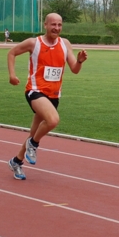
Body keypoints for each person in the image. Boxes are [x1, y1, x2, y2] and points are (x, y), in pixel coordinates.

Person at [7, 13, 87, 180]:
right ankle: (34, 144)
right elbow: (12, 53)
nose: (56, 28)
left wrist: (79, 61)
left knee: (35, 131)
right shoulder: (34, 43)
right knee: (53, 120)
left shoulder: (65, 44)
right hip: (35, 91)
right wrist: (12, 75)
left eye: (59, 25)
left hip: (54, 95)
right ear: (45, 25)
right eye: (53, 25)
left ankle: (17, 161)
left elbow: (74, 69)